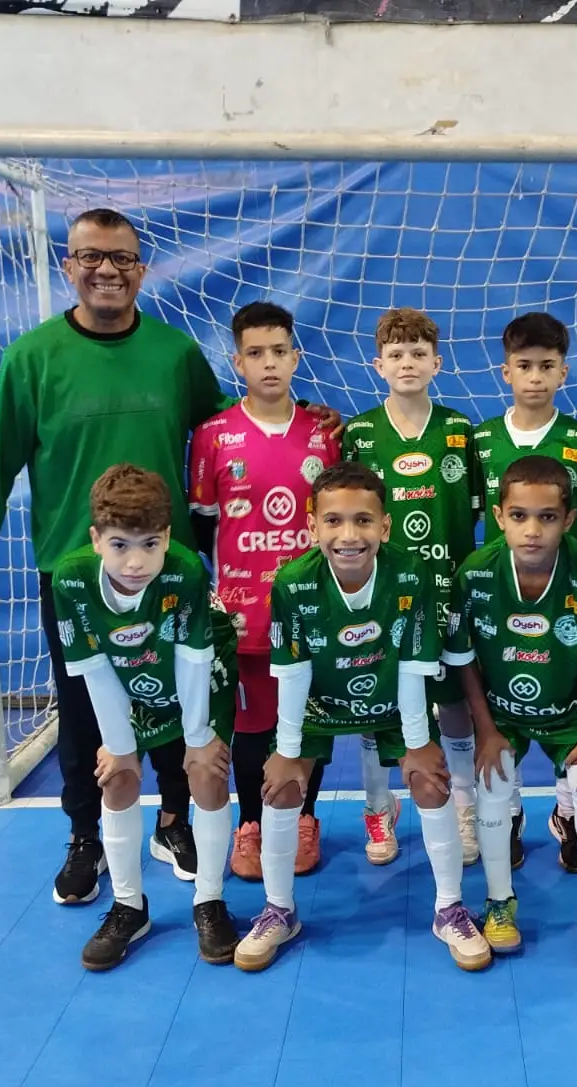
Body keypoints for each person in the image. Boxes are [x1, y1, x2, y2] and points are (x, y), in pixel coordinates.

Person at [0, 208, 225, 908]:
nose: (107, 269)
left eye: (123, 257)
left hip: (167, 570)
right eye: (91, 256)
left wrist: (305, 424)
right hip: (73, 578)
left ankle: (172, 821)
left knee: (173, 700)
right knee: (82, 711)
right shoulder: (33, 359)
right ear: (67, 265)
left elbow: (229, 435)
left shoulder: (175, 354)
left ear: (142, 267)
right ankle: (86, 835)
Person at [237, 462, 489, 973]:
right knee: (281, 787)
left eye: (363, 521)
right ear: (312, 528)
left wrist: (417, 743)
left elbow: (416, 664)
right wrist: (287, 753)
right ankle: (278, 910)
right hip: (318, 703)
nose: (348, 535)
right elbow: (292, 670)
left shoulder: (410, 573)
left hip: (395, 698)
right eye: (333, 521)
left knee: (430, 781)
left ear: (385, 526)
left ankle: (449, 909)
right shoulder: (292, 583)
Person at [51, 464, 239, 970]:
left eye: (150, 545)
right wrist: (119, 746)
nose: (136, 562)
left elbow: (195, 658)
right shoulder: (70, 580)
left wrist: (199, 737)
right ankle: (129, 907)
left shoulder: (185, 571)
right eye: (119, 545)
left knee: (206, 769)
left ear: (168, 537)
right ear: (96, 539)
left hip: (196, 664)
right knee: (117, 777)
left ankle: (210, 900)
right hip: (125, 673)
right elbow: (92, 666)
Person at [188, 302, 342, 882]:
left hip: (310, 612)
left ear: (296, 357)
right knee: (253, 726)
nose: (269, 363)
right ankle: (251, 821)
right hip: (245, 615)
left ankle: (303, 817)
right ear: (238, 361)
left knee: (306, 721)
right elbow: (206, 525)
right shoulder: (212, 437)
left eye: (280, 351)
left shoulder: (326, 434)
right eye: (256, 353)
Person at [444, 455, 577, 962]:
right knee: (494, 781)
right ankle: (499, 901)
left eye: (547, 517)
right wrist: (487, 729)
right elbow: (465, 659)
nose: (533, 530)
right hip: (503, 714)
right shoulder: (476, 574)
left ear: (568, 519)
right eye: (519, 516)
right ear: (497, 517)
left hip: (571, 713)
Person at [342, 308, 482, 868]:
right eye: (396, 355)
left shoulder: (458, 431)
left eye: (418, 353)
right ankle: (380, 805)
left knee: (453, 703)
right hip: (379, 595)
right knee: (378, 702)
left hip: (445, 591)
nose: (407, 363)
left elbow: (475, 512)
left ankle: (464, 805)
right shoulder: (357, 433)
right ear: (378, 365)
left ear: (436, 363)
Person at [471, 311, 577, 865]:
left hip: (564, 595)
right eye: (524, 366)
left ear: (564, 372)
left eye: (547, 366)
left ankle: (569, 810)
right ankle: (514, 807)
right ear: (505, 372)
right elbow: (475, 517)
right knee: (504, 701)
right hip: (501, 596)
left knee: (563, 689)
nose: (534, 377)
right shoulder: (479, 440)